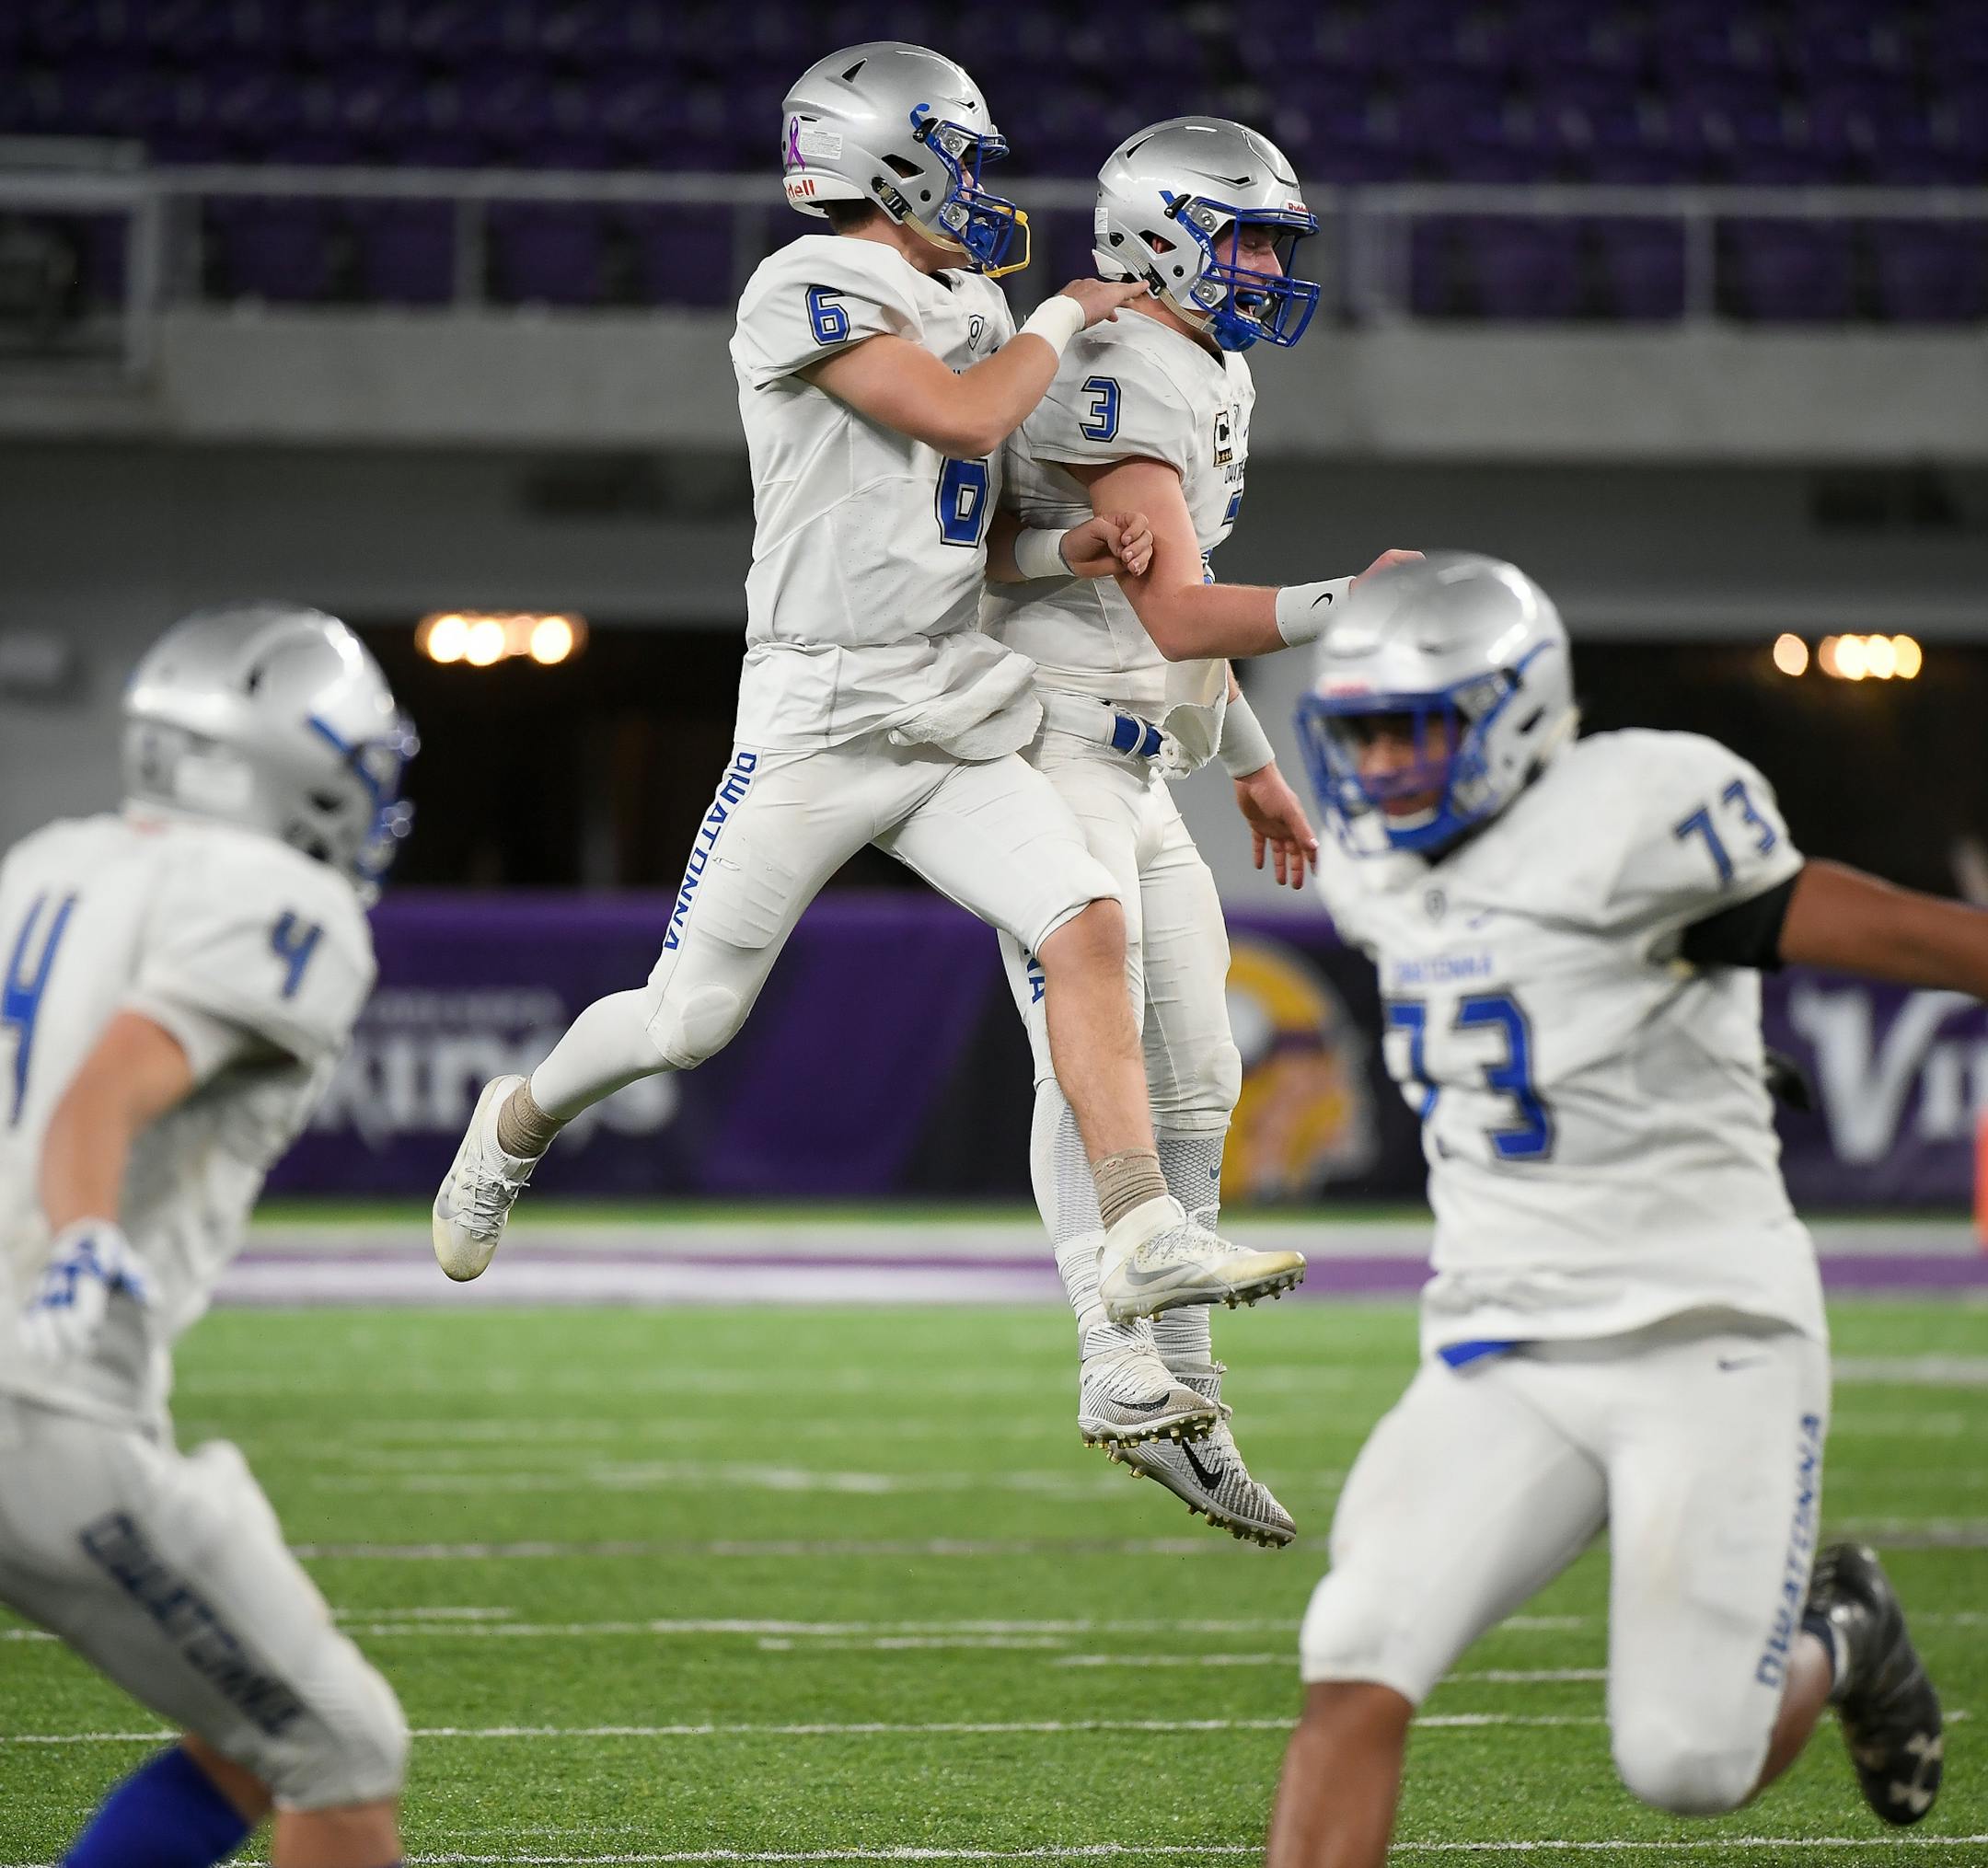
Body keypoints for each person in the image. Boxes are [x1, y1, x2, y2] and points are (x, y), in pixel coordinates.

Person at [432, 45, 1304, 1342]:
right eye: (959, 156)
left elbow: (984, 529)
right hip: (818, 712)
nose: (975, 185)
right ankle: (513, 1124)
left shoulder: (979, 308)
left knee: (1086, 924)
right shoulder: (805, 282)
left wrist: (1069, 549)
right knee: (689, 1019)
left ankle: (1139, 1231)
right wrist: (1068, 313)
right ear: (886, 161)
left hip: (954, 702)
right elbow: (954, 423)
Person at [1265, 552, 1954, 1864]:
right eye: (1360, 735)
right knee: (1353, 1650)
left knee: (1688, 1760)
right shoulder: (1371, 866)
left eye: (1417, 730)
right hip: (1501, 1347)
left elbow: (1883, 931)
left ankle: (1847, 1626)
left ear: (1514, 711)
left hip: (1706, 1332)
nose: (1387, 769)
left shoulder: (1634, 808)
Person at [984, 117, 1414, 1542]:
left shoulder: (1201, 362)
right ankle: (1120, 1369)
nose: (1264, 268)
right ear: (1158, 231)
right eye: (1244, 238)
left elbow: (1177, 604)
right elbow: (1171, 608)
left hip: (1135, 755)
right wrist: (1349, 604)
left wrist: (1252, 760)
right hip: (1041, 751)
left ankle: (1186, 1393)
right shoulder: (1117, 365)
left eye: (1272, 243)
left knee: (1203, 1071)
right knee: (1089, 1059)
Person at [0, 605, 418, 1868]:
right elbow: (103, 1094)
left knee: (249, 1736)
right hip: (39, 1394)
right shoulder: (283, 899)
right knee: (344, 1749)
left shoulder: (48, 858)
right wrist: (79, 1238)